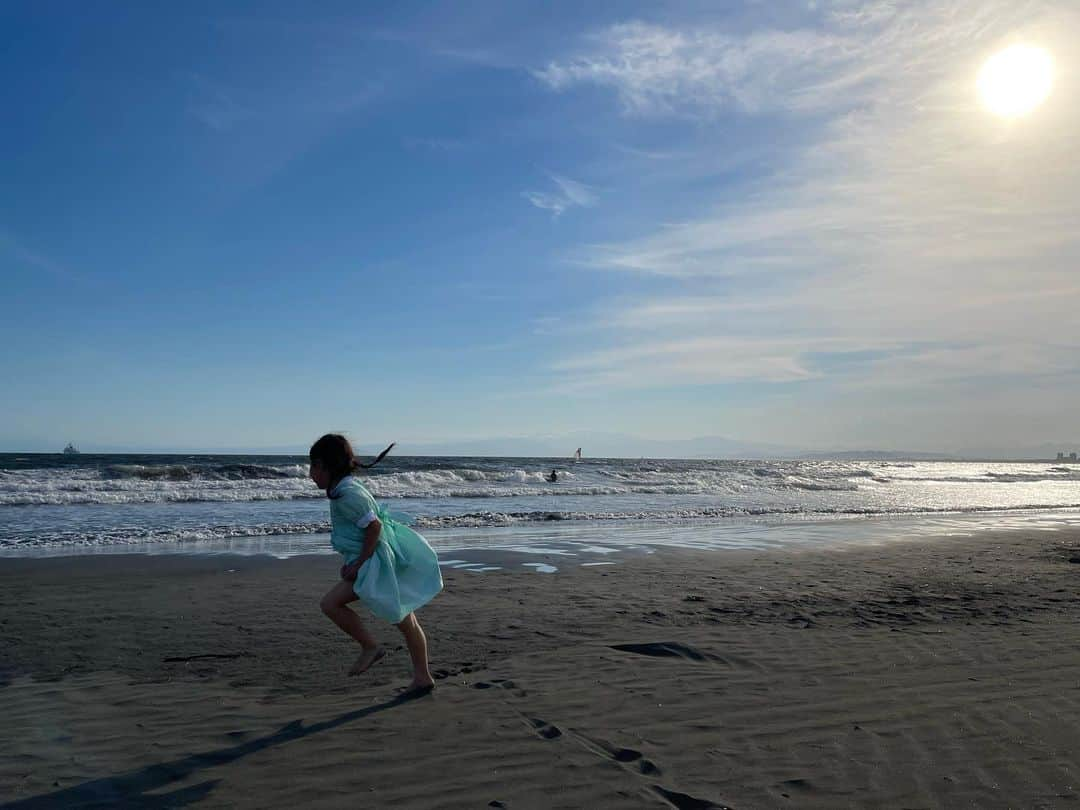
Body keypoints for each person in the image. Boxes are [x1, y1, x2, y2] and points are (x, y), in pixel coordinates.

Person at [309, 434, 442, 697]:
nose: (310, 474)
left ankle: (370, 647)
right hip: (378, 558)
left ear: (327, 466)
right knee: (405, 618)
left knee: (330, 604)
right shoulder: (346, 488)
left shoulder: (347, 494)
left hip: (375, 564)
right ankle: (423, 677)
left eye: (313, 466)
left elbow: (374, 527)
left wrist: (358, 565)